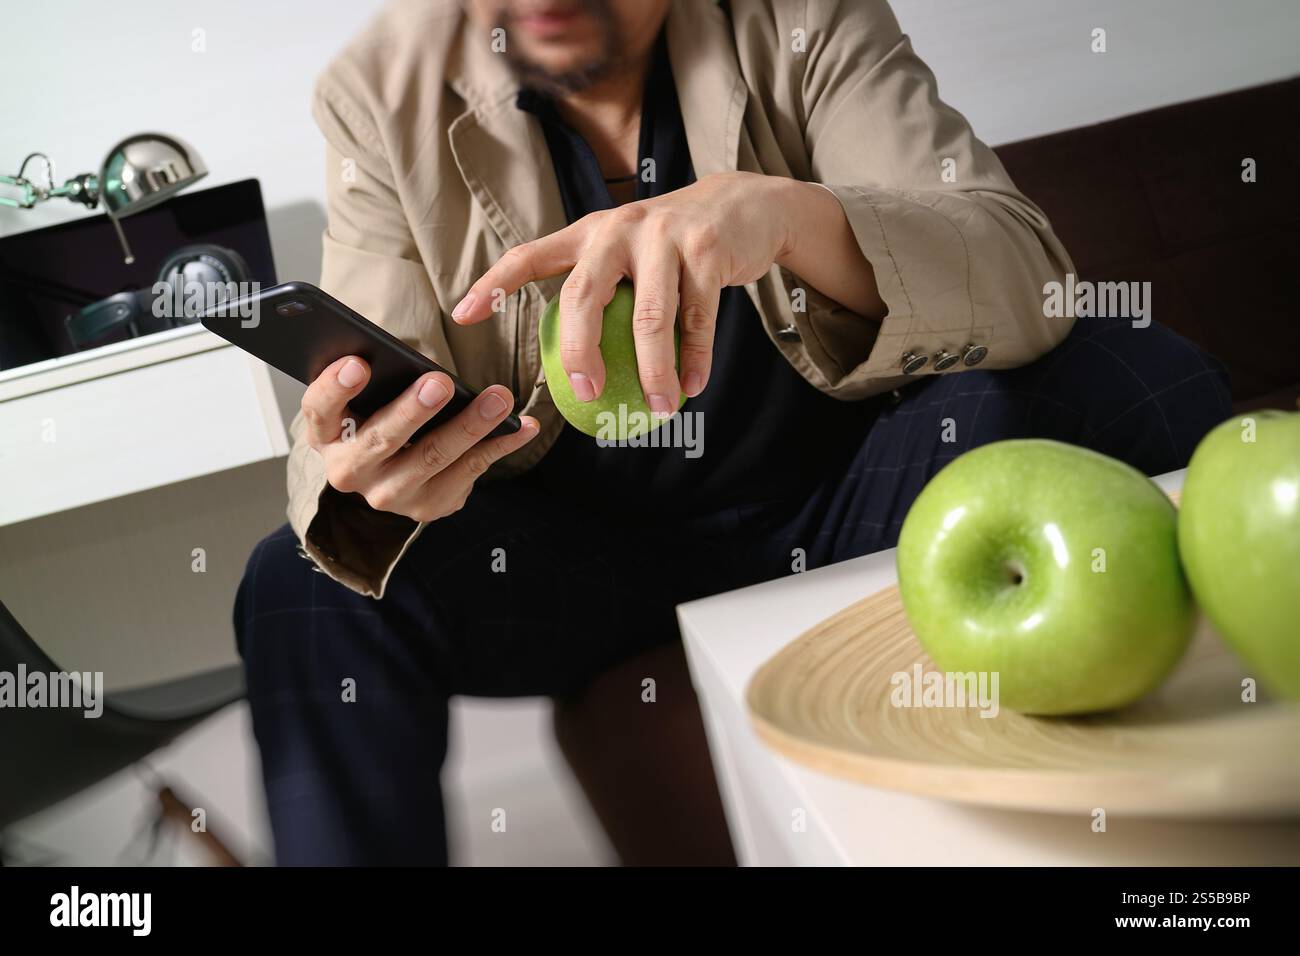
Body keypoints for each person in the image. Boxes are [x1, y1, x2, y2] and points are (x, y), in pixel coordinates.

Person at [235, 0, 1231, 864]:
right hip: (583, 562)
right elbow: (359, 395)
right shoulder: (380, 90)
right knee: (302, 585)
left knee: (1133, 375)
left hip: (853, 494)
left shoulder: (806, 20)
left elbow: (1023, 273)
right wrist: (370, 471)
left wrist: (790, 216)